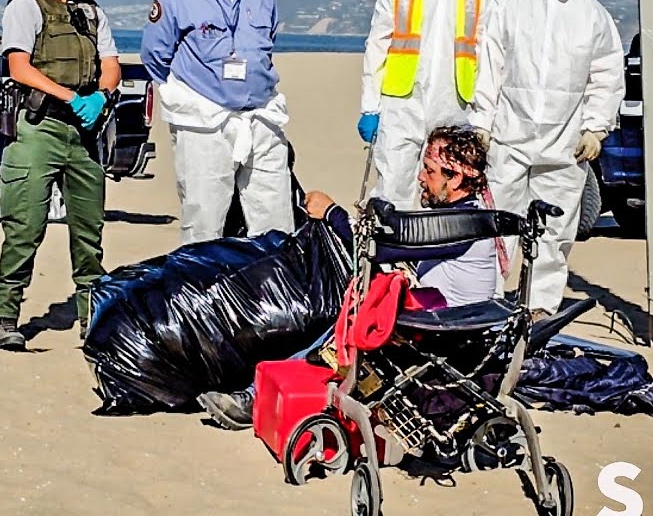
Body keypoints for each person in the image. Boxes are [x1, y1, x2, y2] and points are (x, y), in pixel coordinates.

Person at [198, 125, 497, 430]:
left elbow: (379, 249)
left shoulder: (461, 224)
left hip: (446, 329)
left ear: (456, 179)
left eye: (430, 171)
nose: (421, 177)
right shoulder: (467, 215)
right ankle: (263, 388)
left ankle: (255, 397)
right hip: (443, 316)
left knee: (350, 318)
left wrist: (332, 214)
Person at [470, 0, 624, 321]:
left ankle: (539, 305)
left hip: (563, 147)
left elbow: (606, 75)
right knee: (496, 224)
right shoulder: (510, 6)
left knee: (554, 233)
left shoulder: (592, 16)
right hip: (509, 139)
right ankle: (486, 297)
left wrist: (596, 127)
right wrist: (482, 123)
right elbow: (490, 67)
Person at [0, 0, 121, 351]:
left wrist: (100, 95)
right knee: (24, 226)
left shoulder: (91, 11)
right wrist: (69, 97)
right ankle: (5, 317)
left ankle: (91, 318)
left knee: (88, 231)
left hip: (83, 132)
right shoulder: (26, 5)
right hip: (38, 126)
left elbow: (112, 63)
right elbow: (19, 66)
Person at [140, 0, 294, 245]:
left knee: (275, 219)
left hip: (260, 117)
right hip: (204, 122)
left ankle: (270, 290)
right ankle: (202, 292)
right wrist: (195, 92)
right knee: (205, 220)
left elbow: (268, 40)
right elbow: (155, 57)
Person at [360, 0, 495, 210]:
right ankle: (392, 252)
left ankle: (438, 254)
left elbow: (490, 58)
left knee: (447, 188)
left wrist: (484, 117)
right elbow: (376, 50)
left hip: (455, 106)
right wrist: (370, 107)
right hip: (402, 105)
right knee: (394, 185)